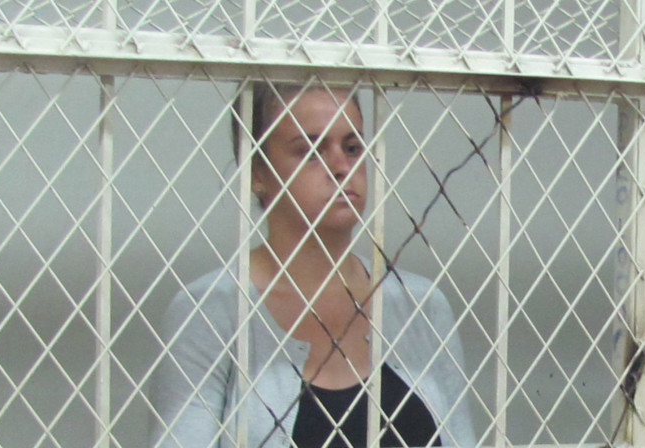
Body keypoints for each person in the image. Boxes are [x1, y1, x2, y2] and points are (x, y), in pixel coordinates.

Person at [150, 82, 475, 447]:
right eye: (310, 151)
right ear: (257, 171)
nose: (341, 166)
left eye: (352, 148)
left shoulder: (419, 304)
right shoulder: (211, 308)